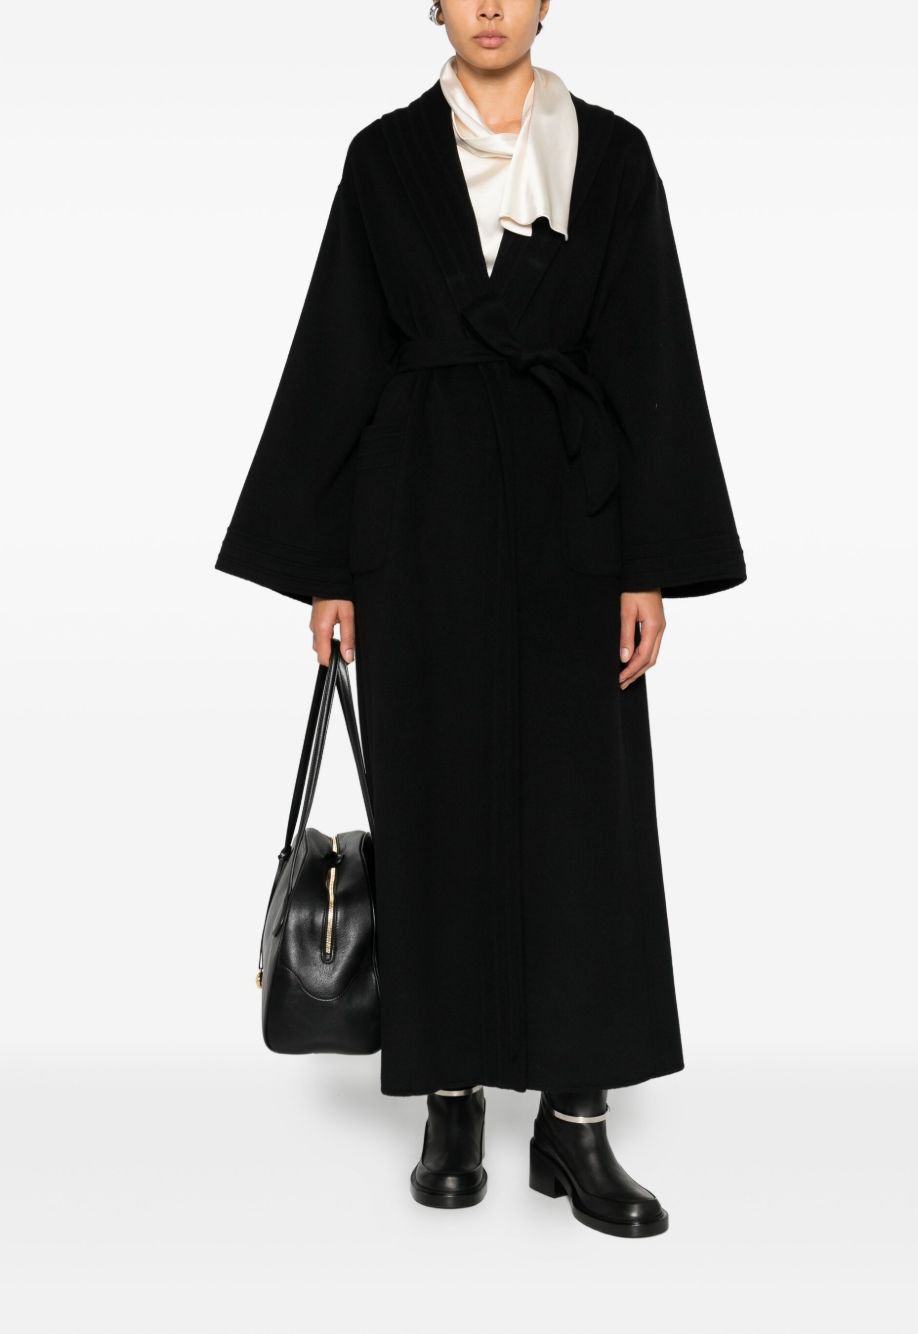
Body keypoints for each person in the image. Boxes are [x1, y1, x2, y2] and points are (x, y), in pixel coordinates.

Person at [215, 0, 745, 1239]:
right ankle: (448, 1095)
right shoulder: (384, 158)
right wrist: (329, 567)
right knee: (436, 794)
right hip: (421, 519)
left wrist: (647, 563)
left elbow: (649, 348)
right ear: (436, 4)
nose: (491, 6)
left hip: (575, 515)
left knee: (584, 814)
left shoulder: (611, 154)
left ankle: (576, 1116)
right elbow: (339, 350)